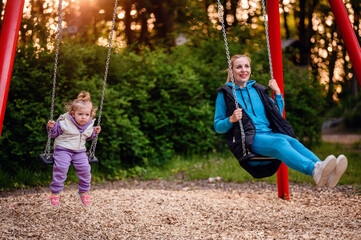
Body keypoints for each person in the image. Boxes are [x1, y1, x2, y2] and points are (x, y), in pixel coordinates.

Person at [214, 54, 347, 187]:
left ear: (250, 69)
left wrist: (278, 94)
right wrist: (230, 120)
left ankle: (325, 171)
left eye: (246, 66)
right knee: (280, 142)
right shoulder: (226, 94)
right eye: (238, 67)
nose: (243, 70)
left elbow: (276, 114)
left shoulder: (258, 90)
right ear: (231, 71)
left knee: (292, 141)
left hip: (269, 134)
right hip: (250, 139)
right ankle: (313, 170)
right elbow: (218, 126)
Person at [46, 92, 101, 206]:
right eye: (80, 114)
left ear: (90, 114)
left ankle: (83, 192)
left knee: (85, 170)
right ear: (73, 113)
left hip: (79, 151)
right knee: (61, 168)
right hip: (63, 149)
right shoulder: (64, 122)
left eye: (86, 114)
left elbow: (88, 137)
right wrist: (51, 127)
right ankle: (55, 193)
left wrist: (94, 133)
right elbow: (53, 134)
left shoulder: (89, 124)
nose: (83, 117)